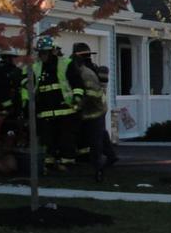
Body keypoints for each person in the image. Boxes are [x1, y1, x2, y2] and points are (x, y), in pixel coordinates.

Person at [23, 36, 79, 173]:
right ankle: (49, 163)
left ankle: (67, 164)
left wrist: (77, 97)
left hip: (65, 109)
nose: (42, 55)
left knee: (66, 138)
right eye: (40, 52)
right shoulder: (35, 67)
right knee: (47, 139)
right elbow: (27, 85)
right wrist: (27, 106)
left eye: (45, 52)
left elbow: (77, 83)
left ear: (53, 51)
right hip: (45, 109)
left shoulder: (66, 63)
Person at [70, 42, 110, 181]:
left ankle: (99, 167)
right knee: (97, 137)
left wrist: (78, 104)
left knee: (95, 141)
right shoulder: (90, 68)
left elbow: (92, 94)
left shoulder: (86, 72)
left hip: (95, 111)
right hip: (92, 111)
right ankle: (107, 159)